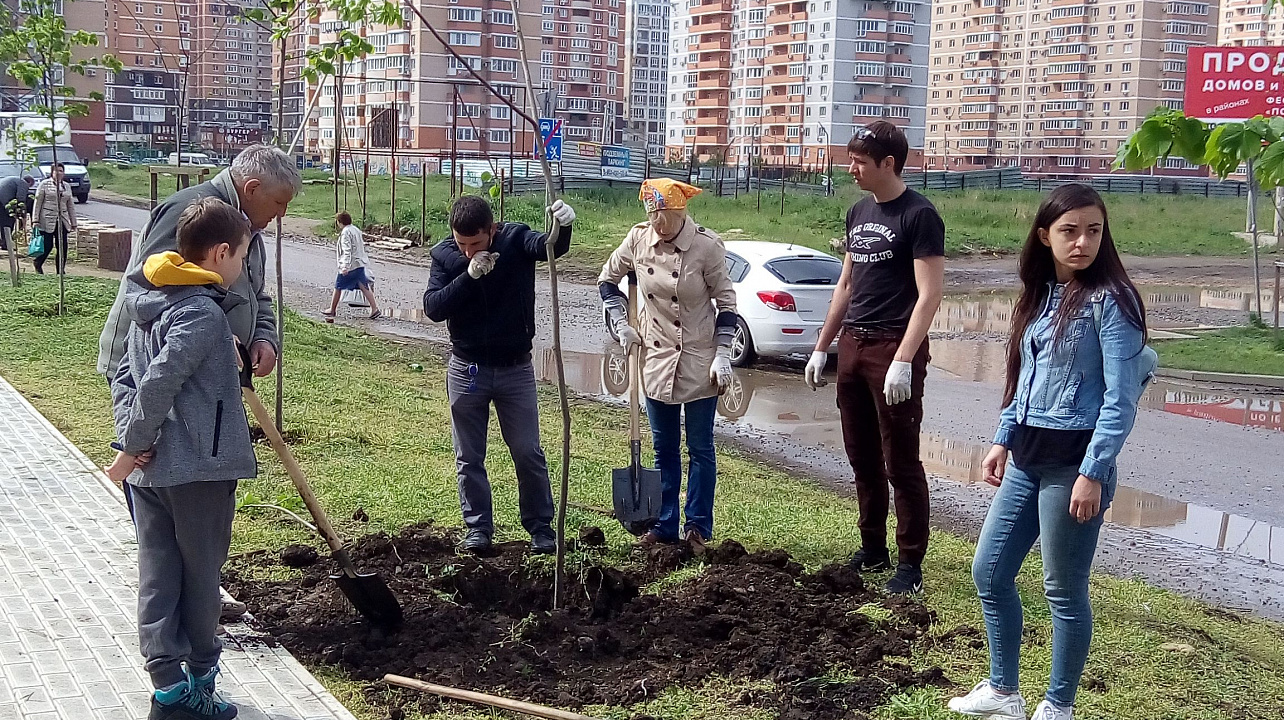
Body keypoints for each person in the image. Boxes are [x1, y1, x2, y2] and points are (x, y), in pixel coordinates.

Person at [946, 184, 1156, 720]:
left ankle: (1058, 705)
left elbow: (1120, 399)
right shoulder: (1040, 295)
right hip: (1027, 458)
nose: (1082, 241)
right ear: (1045, 236)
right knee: (989, 572)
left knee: (1063, 590)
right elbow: (1025, 379)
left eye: (1093, 230)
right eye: (1069, 231)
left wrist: (1093, 472)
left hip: (1075, 466)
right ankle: (1003, 691)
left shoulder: (1112, 300)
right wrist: (1002, 437)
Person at [104, 197, 258, 720]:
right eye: (240, 256)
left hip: (152, 472)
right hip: (199, 470)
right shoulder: (201, 315)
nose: (241, 267)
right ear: (219, 254)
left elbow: (126, 378)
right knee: (200, 575)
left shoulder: (149, 305)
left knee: (158, 571)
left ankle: (166, 687)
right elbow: (159, 381)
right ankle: (197, 687)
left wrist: (134, 438)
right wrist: (129, 449)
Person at [804, 120, 945, 594]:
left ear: (889, 163)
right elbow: (845, 284)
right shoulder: (858, 212)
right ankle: (872, 547)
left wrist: (905, 357)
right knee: (861, 455)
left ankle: (910, 563)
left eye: (861, 162)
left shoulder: (919, 216)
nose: (853, 169)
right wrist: (822, 346)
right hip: (853, 344)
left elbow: (929, 295)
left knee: (899, 460)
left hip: (892, 345)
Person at [423, 195, 577, 554]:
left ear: (492, 230)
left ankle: (541, 529)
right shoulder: (445, 256)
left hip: (515, 370)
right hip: (467, 369)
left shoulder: (514, 240)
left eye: (475, 243)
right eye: (461, 243)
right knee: (469, 456)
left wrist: (563, 227)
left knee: (527, 451)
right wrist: (469, 275)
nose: (467, 251)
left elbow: (549, 248)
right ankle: (478, 529)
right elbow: (433, 307)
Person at [598, 178, 737, 553]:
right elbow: (607, 280)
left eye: (666, 219)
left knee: (700, 448)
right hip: (656, 357)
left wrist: (724, 354)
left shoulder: (707, 247)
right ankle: (664, 524)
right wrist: (620, 324)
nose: (660, 226)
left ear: (680, 213)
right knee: (663, 450)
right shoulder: (638, 239)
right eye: (653, 218)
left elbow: (727, 304)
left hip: (699, 357)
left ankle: (697, 527)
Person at [99, 143, 301, 383]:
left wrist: (264, 337)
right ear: (252, 189)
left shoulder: (248, 229)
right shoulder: (193, 214)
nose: (283, 213)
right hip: (151, 373)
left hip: (204, 378)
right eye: (279, 202)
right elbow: (149, 295)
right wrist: (219, 337)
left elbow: (255, 294)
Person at [323, 211, 380, 322]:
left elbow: (347, 250)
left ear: (340, 222)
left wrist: (345, 266)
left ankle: (332, 309)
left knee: (338, 286)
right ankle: (374, 308)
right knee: (363, 286)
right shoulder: (355, 230)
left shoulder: (345, 233)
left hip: (350, 265)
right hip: (359, 263)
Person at [32, 163, 77, 274]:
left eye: (61, 171)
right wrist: (35, 220)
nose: (59, 173)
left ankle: (60, 270)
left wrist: (73, 222)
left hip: (62, 219)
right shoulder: (44, 184)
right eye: (56, 171)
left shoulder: (66, 186)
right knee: (48, 246)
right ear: (52, 172)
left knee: (63, 247)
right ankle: (38, 263)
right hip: (46, 219)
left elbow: (70, 205)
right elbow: (38, 203)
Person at [0, 173, 34, 251]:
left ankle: (3, 242)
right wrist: (20, 212)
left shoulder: (14, 179)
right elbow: (20, 198)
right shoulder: (23, 183)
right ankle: (6, 244)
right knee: (8, 222)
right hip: (3, 201)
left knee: (2, 222)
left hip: (2, 199)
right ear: (30, 182)